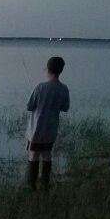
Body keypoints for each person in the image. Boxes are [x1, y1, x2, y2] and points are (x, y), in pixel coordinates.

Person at [25, 56, 70, 191]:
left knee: (33, 155)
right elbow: (65, 108)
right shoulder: (64, 88)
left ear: (48, 70)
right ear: (61, 71)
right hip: (51, 130)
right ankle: (45, 184)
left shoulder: (40, 87)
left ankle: (31, 186)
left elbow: (29, 106)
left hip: (36, 130)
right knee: (47, 155)